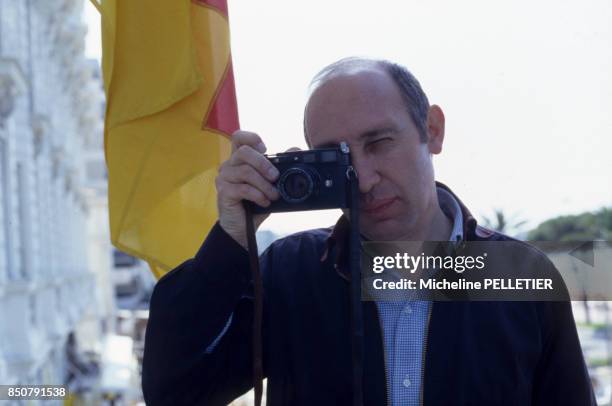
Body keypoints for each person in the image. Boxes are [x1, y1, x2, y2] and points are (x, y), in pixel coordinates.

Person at [142, 57, 596, 405]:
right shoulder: (289, 271)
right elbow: (175, 390)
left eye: (379, 143)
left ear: (432, 131)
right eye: (336, 156)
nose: (363, 177)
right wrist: (229, 238)